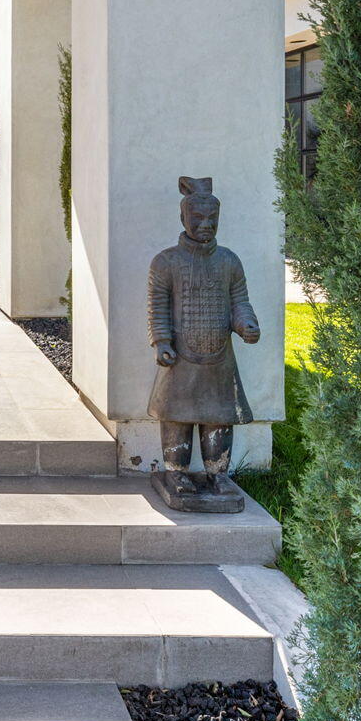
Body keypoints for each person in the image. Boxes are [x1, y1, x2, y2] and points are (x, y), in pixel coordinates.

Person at [147, 176, 260, 511]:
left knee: (218, 417)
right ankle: (176, 472)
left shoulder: (229, 261)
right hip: (180, 356)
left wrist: (246, 324)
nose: (206, 225)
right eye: (198, 219)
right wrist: (162, 341)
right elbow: (158, 305)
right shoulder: (165, 262)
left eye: (212, 219)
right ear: (184, 219)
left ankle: (218, 474)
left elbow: (240, 300)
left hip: (219, 356)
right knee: (177, 416)